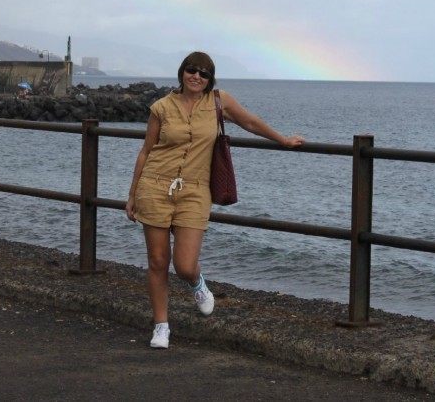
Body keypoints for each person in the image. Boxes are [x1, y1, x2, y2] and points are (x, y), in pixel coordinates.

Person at [126, 51, 305, 349]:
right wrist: (132, 194)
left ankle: (197, 284)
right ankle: (161, 326)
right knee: (158, 261)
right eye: (192, 70)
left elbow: (250, 122)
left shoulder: (219, 101)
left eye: (204, 73)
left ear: (211, 79)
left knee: (184, 265)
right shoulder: (161, 107)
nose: (197, 76)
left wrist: (283, 140)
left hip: (196, 191)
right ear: (182, 72)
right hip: (155, 187)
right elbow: (146, 150)